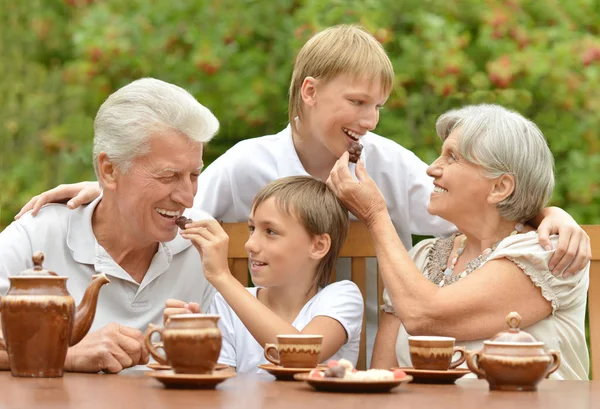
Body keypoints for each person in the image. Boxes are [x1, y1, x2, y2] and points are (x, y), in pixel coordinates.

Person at [13, 25, 591, 363]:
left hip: (347, 351)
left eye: (378, 106)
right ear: (310, 92)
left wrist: (548, 212)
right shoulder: (248, 163)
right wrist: (109, 187)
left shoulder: (386, 161)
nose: (371, 118)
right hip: (276, 354)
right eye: (358, 102)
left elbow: (475, 202)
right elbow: (180, 207)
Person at [327, 104, 590, 380]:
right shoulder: (420, 259)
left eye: (452, 157)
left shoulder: (548, 253)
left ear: (500, 187)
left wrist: (375, 214)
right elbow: (383, 377)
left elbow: (425, 317)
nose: (431, 169)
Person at [0, 78, 219, 373]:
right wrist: (67, 355)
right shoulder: (37, 235)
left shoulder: (202, 248)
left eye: (194, 175)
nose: (188, 198)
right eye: (168, 177)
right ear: (109, 170)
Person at [164, 176, 363, 372]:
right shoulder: (227, 305)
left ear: (318, 246)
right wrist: (196, 346)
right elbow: (220, 389)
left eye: (271, 232)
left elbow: (302, 356)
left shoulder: (341, 297)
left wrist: (222, 277)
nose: (250, 244)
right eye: (252, 228)